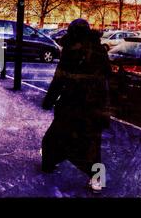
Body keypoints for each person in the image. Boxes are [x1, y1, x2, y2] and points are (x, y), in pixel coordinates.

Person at [41, 19, 111, 193]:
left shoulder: (70, 50)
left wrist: (49, 100)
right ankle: (97, 180)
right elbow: (107, 78)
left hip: (71, 104)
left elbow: (59, 79)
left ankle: (49, 163)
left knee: (54, 136)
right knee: (91, 145)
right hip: (93, 106)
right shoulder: (99, 51)